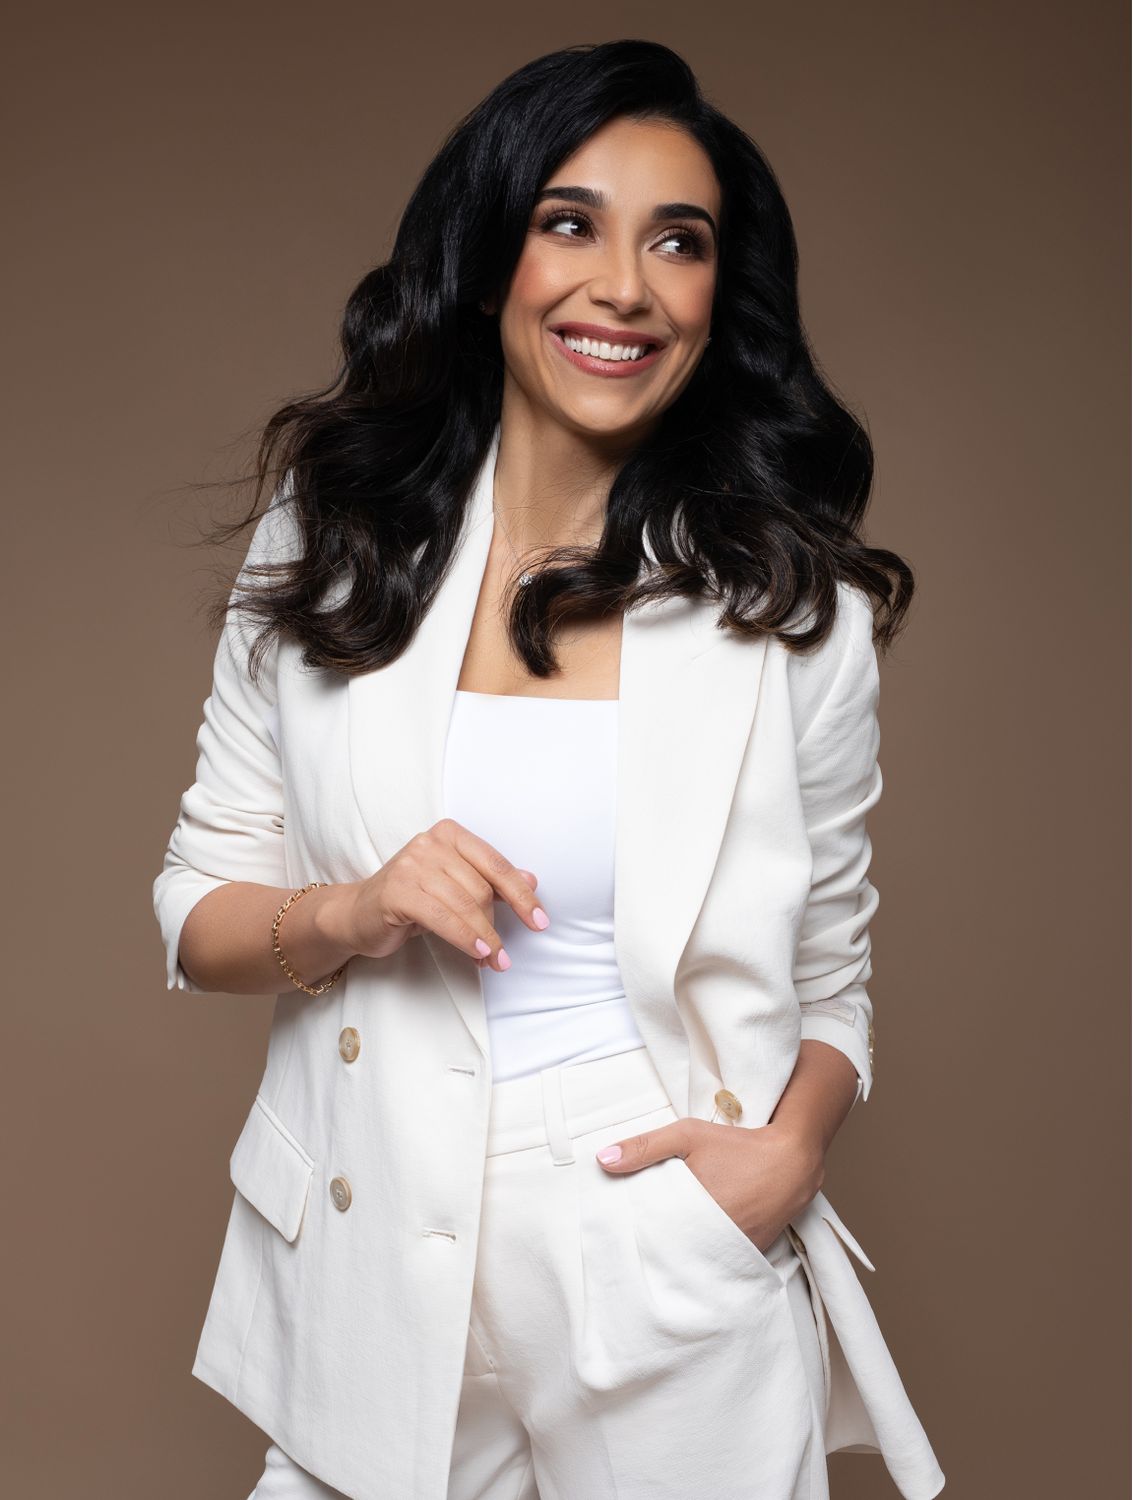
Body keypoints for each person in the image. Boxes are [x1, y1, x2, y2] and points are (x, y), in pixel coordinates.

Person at [153, 38, 945, 1500]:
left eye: (679, 243)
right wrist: (350, 911)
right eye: (570, 223)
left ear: (720, 293)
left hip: (658, 1243)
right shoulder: (332, 542)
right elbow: (201, 908)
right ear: (488, 253)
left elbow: (828, 969)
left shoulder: (788, 612)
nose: (624, 287)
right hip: (370, 1233)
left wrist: (786, 1159)